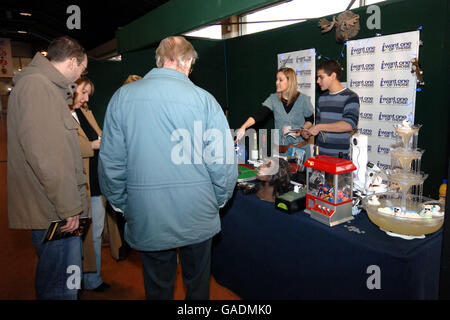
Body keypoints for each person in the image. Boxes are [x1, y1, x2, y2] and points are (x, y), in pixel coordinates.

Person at [98, 36, 237, 300]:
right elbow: (222, 162)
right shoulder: (205, 100)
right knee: (198, 286)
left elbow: (111, 163)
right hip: (198, 211)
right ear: (186, 62)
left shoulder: (122, 97)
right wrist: (216, 202)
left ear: (161, 61)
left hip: (148, 212)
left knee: (158, 287)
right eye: (191, 65)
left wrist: (124, 205)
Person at [7, 36, 89, 300]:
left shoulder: (42, 87)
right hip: (54, 210)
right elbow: (48, 157)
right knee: (59, 285)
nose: (80, 77)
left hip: (55, 207)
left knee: (64, 278)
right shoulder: (38, 88)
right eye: (82, 69)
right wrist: (69, 207)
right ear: (74, 61)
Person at [69, 77, 116, 292]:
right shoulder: (60, 113)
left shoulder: (85, 112)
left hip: (96, 182)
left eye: (88, 93)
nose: (87, 98)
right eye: (84, 92)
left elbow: (98, 135)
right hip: (78, 185)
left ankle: (91, 278)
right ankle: (76, 282)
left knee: (94, 234)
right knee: (75, 240)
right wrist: (93, 144)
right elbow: (61, 150)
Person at [235, 67, 314, 156]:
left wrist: (303, 130)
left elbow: (310, 119)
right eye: (277, 79)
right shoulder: (273, 99)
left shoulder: (303, 99)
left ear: (290, 81)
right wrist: (243, 127)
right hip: (280, 153)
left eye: (280, 80)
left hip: (300, 152)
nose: (277, 82)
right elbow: (260, 114)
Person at [304, 60, 360, 159]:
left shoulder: (351, 97)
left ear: (333, 76)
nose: (318, 81)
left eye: (321, 77)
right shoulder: (321, 98)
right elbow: (320, 127)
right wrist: (308, 132)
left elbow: (348, 125)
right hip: (319, 156)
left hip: (339, 159)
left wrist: (319, 127)